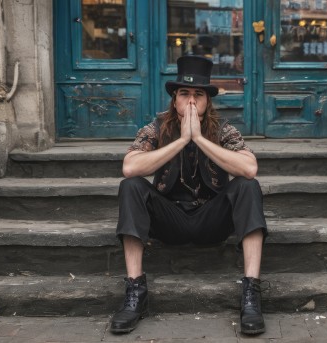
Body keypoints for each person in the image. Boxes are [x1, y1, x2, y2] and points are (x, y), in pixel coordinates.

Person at [110, 55, 268, 335]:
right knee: (131, 185)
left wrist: (200, 139)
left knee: (247, 186)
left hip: (212, 220)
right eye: (185, 94)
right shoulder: (155, 128)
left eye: (199, 95)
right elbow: (130, 166)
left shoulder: (223, 130)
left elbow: (249, 167)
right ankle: (136, 291)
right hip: (169, 220)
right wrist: (183, 139)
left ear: (208, 101)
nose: (192, 101)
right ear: (174, 100)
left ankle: (251, 293)